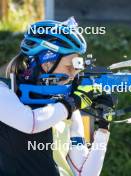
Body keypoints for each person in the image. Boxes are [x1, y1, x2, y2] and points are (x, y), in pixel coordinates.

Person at [0, 17, 112, 176]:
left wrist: (103, 128)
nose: (75, 74)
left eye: (78, 67)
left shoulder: (67, 108)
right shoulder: (4, 90)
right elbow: (29, 123)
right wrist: (71, 104)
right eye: (69, 66)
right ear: (46, 63)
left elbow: (85, 174)